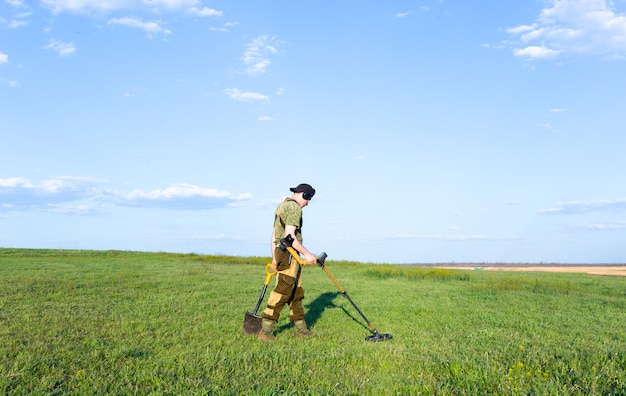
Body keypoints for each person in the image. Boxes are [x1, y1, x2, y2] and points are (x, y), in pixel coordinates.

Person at [258, 183, 317, 342]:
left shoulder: (282, 205)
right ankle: (266, 330)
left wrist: (274, 258)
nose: (308, 203)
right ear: (304, 195)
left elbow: (274, 236)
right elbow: (290, 237)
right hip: (289, 253)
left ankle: (301, 329)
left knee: (296, 292)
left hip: (283, 253)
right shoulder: (294, 208)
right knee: (283, 290)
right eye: (308, 199)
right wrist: (308, 254)